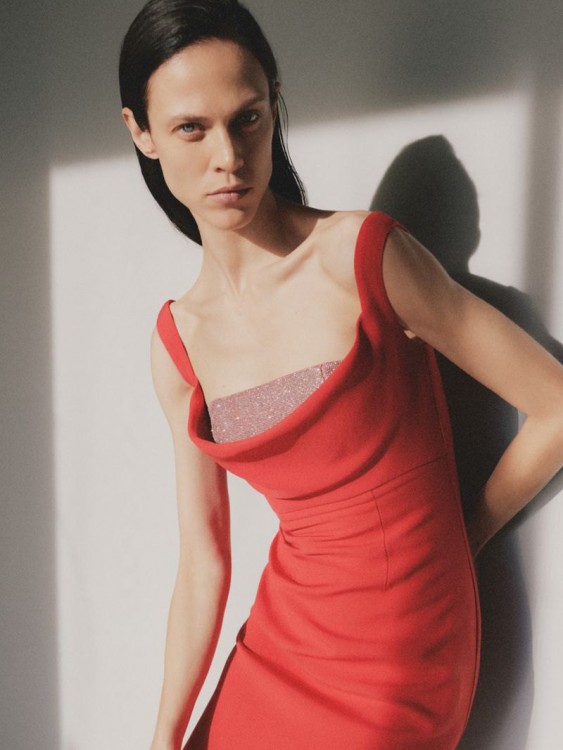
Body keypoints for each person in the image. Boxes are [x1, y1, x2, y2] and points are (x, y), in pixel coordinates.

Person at [119, 2, 563, 748]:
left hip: (402, 648)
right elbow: (203, 562)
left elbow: (554, 404)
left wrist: (461, 536)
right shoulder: (178, 345)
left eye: (247, 118)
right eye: (191, 128)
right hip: (282, 640)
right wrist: (164, 735)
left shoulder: (362, 256)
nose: (228, 155)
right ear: (142, 133)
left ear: (274, 106)